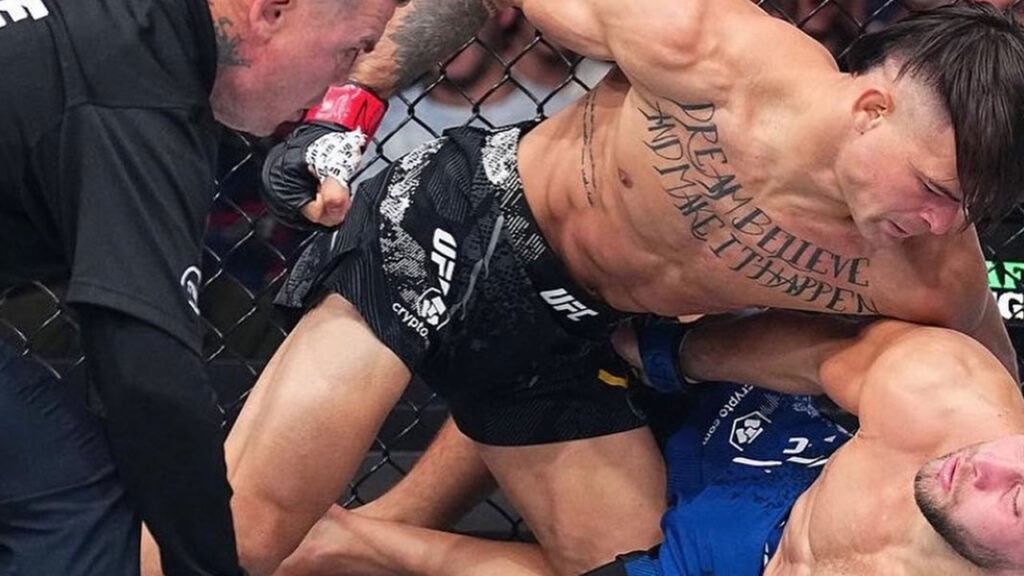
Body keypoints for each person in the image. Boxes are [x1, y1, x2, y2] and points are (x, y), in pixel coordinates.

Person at [234, 1, 1024, 575]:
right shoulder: (708, 46)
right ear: (872, 110)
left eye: (965, 208)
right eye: (932, 187)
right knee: (245, 535)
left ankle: (345, 544)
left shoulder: (932, 267)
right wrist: (348, 108)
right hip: (459, 222)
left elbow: (999, 410)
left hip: (581, 337)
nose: (938, 220)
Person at [0, 0, 400, 574]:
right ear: (271, 12)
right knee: (71, 500)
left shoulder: (136, 38)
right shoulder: (136, 99)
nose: (341, 80)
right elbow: (149, 380)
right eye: (351, 50)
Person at [267, 310, 1024, 576]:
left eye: (1019, 502)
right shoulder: (954, 403)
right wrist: (672, 354)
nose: (987, 464)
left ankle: (347, 543)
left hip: (731, 554)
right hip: (769, 433)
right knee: (530, 337)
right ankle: (389, 521)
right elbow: (832, 353)